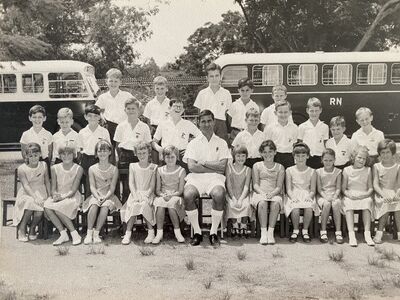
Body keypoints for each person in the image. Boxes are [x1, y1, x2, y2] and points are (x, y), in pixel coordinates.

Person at [183, 110, 231, 246]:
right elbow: (192, 167)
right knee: (188, 195)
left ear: (214, 122)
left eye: (209, 120)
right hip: (196, 178)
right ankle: (197, 232)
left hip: (215, 178)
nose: (206, 124)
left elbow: (222, 167)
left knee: (219, 194)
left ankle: (213, 232)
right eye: (203, 121)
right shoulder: (193, 143)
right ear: (198, 124)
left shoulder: (221, 142)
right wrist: (213, 166)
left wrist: (203, 163)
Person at [44, 143, 84, 246]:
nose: (66, 156)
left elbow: (74, 190)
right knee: (47, 206)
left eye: (69, 154)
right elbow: (53, 188)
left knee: (58, 207)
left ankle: (74, 233)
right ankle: (63, 233)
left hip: (72, 196)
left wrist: (62, 197)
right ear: (59, 156)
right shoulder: (54, 168)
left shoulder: (78, 168)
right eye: (63, 154)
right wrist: (55, 195)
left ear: (74, 155)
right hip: (59, 196)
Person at [82, 140, 121, 244]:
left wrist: (105, 197)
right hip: (96, 195)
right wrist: (97, 196)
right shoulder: (92, 169)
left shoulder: (114, 169)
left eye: (105, 150)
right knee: (94, 204)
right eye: (100, 151)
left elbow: (112, 188)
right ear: (96, 153)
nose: (102, 153)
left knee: (105, 206)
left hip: (109, 196)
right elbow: (92, 186)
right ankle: (89, 233)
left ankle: (96, 233)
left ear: (109, 152)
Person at [114, 98, 151, 202]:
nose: (131, 111)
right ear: (125, 110)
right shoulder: (120, 126)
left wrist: (142, 157)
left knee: (139, 186)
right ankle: (126, 212)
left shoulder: (144, 127)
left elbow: (148, 144)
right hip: (124, 156)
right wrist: (120, 157)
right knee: (126, 187)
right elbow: (117, 145)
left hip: (139, 157)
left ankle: (140, 212)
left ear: (138, 110)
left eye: (133, 108)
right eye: (128, 108)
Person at [120, 142, 157, 245]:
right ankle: (128, 233)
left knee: (145, 204)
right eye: (139, 153)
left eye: (144, 153)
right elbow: (131, 183)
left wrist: (147, 195)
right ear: (135, 153)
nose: (142, 155)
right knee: (135, 204)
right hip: (135, 193)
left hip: (148, 193)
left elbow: (152, 185)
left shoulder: (153, 167)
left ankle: (151, 232)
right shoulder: (133, 166)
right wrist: (135, 195)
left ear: (149, 152)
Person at [13, 143, 51, 242]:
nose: (34, 158)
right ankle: (22, 228)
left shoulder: (44, 165)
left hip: (41, 192)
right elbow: (26, 185)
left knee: (40, 209)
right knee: (30, 203)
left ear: (40, 154)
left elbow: (47, 181)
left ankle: (33, 228)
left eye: (36, 155)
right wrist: (35, 198)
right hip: (27, 193)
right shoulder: (22, 169)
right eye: (30, 156)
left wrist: (49, 195)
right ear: (26, 156)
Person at [251, 140, 285, 245]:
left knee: (275, 204)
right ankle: (263, 233)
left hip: (275, 193)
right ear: (261, 153)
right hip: (260, 193)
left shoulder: (280, 167)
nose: (267, 154)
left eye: (270, 151)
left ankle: (271, 232)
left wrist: (272, 194)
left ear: (275, 152)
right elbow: (255, 184)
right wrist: (263, 193)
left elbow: (279, 186)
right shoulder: (257, 166)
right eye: (264, 152)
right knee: (262, 203)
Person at [152, 98, 200, 170]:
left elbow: (201, 136)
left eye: (180, 107)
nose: (178, 108)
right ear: (169, 108)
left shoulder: (188, 124)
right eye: (175, 106)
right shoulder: (163, 123)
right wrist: (160, 149)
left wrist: (190, 148)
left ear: (183, 110)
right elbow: (153, 142)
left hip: (182, 156)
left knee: (183, 178)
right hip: (167, 155)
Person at [285, 142, 318, 243]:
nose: (300, 158)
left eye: (303, 156)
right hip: (293, 193)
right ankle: (295, 230)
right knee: (295, 207)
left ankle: (305, 230)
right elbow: (289, 189)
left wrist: (310, 196)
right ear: (294, 156)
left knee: (308, 207)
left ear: (307, 156)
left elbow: (312, 189)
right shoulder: (289, 170)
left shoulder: (312, 171)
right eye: (298, 156)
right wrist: (292, 197)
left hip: (307, 193)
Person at [342, 145, 374, 247]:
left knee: (367, 202)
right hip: (351, 194)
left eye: (364, 159)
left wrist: (365, 195)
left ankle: (367, 234)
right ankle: (352, 235)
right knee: (348, 204)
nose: (361, 160)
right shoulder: (347, 170)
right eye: (359, 157)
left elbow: (370, 188)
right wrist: (349, 195)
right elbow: (343, 189)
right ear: (354, 157)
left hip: (363, 194)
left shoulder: (368, 170)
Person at [153, 145, 186, 244]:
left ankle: (177, 232)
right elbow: (157, 190)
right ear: (163, 158)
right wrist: (162, 195)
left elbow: (180, 191)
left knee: (172, 205)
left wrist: (171, 195)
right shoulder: (159, 170)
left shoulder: (181, 170)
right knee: (160, 204)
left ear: (177, 157)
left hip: (176, 196)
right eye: (167, 157)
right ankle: (159, 233)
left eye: (172, 157)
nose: (170, 159)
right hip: (163, 195)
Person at [78, 104, 111, 198]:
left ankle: (100, 201)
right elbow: (80, 149)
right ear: (85, 117)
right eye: (90, 116)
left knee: (99, 183)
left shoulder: (104, 131)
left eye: (96, 116)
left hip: (99, 160)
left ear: (99, 117)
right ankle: (87, 205)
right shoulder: (82, 132)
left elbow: (108, 147)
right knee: (88, 184)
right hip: (86, 160)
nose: (93, 118)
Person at [193, 63, 232, 141]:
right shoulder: (202, 93)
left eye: (217, 76)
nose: (214, 79)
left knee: (221, 148)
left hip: (221, 126)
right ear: (207, 78)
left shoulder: (226, 93)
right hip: (206, 124)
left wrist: (228, 131)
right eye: (211, 76)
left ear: (221, 77)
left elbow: (228, 114)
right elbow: (199, 113)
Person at [95, 68, 134, 146]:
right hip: (109, 127)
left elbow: (138, 107)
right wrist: (101, 116)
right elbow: (95, 110)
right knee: (110, 149)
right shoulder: (103, 97)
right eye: (111, 81)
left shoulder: (127, 95)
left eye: (116, 81)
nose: (113, 83)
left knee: (123, 149)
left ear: (120, 82)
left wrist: (132, 119)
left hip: (124, 126)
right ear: (106, 81)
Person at [372, 139, 400, 243]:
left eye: (388, 152)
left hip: (394, 192)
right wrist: (383, 195)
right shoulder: (377, 166)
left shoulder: (398, 167)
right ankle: (379, 233)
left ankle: (399, 233)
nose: (385, 155)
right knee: (386, 203)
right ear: (379, 154)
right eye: (382, 153)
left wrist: (397, 193)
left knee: (398, 204)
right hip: (381, 194)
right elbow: (375, 185)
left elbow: (398, 184)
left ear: (392, 152)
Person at [316, 148, 343, 244]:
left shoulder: (338, 172)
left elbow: (338, 188)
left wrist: (335, 196)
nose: (328, 162)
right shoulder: (318, 172)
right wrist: (325, 196)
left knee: (336, 204)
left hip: (334, 194)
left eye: (331, 160)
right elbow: (319, 189)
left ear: (334, 160)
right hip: (322, 195)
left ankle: (338, 231)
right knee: (327, 204)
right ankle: (323, 231)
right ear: (322, 160)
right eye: (326, 160)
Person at [225, 145, 252, 238]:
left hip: (243, 194)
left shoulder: (248, 169)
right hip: (231, 193)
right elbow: (228, 185)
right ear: (234, 156)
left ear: (246, 157)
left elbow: (246, 186)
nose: (241, 158)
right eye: (238, 156)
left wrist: (240, 199)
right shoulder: (229, 167)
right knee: (231, 205)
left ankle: (244, 225)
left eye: (243, 156)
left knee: (246, 204)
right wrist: (233, 197)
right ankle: (235, 225)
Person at [264, 100, 298, 169]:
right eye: (280, 112)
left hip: (289, 157)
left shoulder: (294, 128)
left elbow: (294, 144)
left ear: (290, 113)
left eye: (285, 112)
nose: (283, 115)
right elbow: (267, 145)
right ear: (275, 113)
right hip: (275, 156)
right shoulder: (269, 128)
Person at [298, 97, 329, 169]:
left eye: (316, 110)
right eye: (311, 111)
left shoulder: (324, 127)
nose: (314, 113)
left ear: (320, 110)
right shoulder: (302, 126)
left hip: (319, 158)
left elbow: (325, 144)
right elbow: (300, 144)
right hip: (307, 158)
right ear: (307, 110)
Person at [227, 78, 259, 143]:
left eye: (247, 90)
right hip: (235, 133)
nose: (245, 93)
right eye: (242, 90)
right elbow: (229, 119)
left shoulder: (254, 106)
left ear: (251, 90)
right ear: (238, 90)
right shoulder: (234, 105)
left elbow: (256, 121)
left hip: (249, 133)